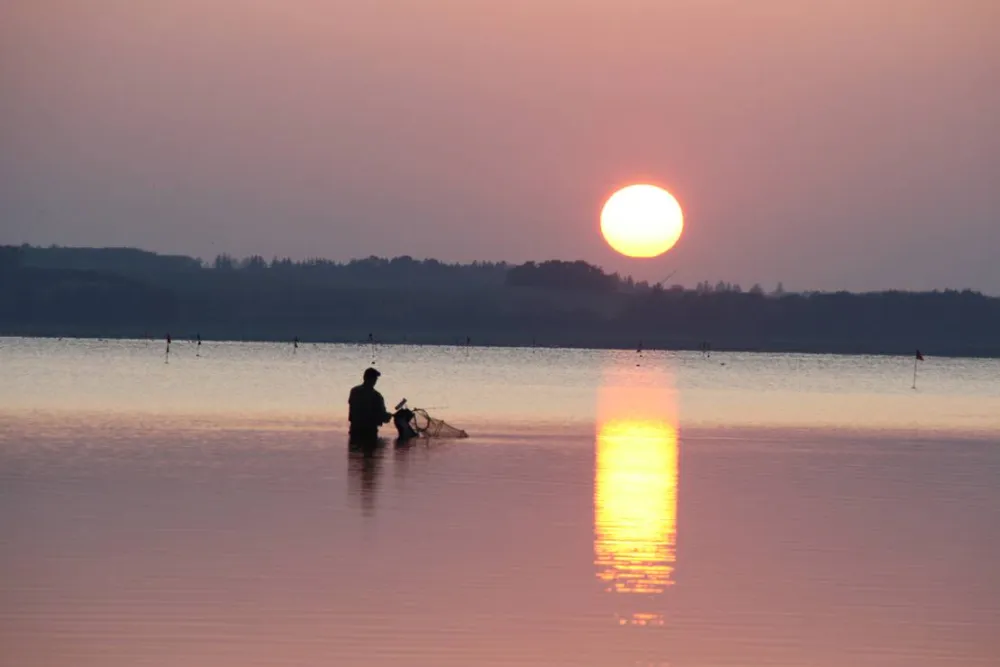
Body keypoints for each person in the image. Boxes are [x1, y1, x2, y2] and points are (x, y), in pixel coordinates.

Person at [348, 367, 392, 445]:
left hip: (355, 431)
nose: (375, 381)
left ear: (364, 377)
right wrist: (387, 416)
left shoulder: (354, 391)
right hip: (369, 433)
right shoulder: (376, 396)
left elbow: (354, 411)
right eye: (375, 378)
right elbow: (381, 416)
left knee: (355, 454)